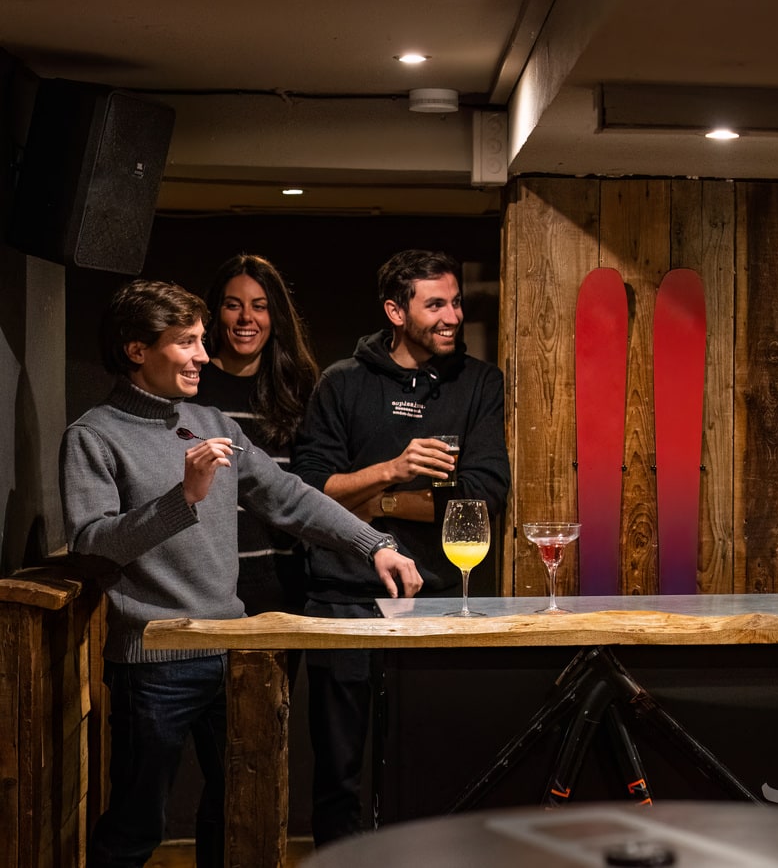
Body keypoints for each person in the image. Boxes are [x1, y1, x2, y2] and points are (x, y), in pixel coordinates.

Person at [61, 279, 423, 868]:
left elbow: (289, 497)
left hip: (232, 650)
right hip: (153, 662)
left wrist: (372, 543)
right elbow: (92, 547)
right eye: (187, 342)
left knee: (239, 816)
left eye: (203, 340)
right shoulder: (94, 435)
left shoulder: (211, 422)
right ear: (136, 349)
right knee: (135, 827)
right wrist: (185, 496)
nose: (205, 355)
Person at [292, 248, 509, 845]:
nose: (452, 316)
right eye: (434, 303)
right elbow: (307, 492)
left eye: (456, 301)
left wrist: (371, 500)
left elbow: (482, 498)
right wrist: (391, 470)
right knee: (338, 774)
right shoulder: (343, 382)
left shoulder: (479, 383)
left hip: (439, 602)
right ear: (395, 311)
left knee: (428, 764)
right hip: (341, 599)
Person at [196, 254, 319, 621]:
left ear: (275, 316)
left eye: (259, 307)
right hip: (207, 586)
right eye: (233, 305)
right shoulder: (191, 385)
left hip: (283, 587)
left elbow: (305, 489)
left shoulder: (298, 390)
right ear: (216, 313)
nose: (246, 318)